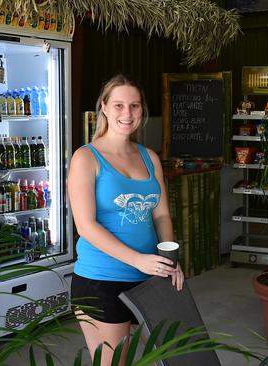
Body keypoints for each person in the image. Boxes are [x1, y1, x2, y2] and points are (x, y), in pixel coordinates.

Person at [68, 74, 184, 365]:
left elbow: (161, 214)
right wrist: (137, 259)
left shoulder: (149, 157)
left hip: (148, 278)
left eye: (134, 105)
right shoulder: (86, 158)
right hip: (101, 280)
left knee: (155, 358)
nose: (127, 113)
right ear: (104, 107)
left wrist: (168, 258)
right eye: (119, 105)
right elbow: (86, 226)